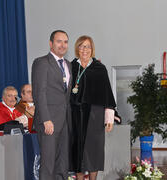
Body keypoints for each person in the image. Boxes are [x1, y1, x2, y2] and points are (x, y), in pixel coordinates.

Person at [70, 35, 116, 180]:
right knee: (77, 149)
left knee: (94, 149)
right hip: (75, 114)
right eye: (82, 46)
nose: (85, 49)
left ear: (92, 49)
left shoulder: (100, 69)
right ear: (77, 48)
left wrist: (109, 118)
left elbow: (107, 94)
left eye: (88, 46)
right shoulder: (70, 67)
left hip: (95, 115)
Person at [31, 30, 72, 180]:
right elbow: (39, 93)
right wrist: (46, 119)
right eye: (59, 41)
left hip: (64, 121)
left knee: (62, 164)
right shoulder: (41, 63)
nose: (62, 45)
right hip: (48, 122)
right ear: (51, 43)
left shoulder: (68, 64)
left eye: (65, 42)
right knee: (48, 165)